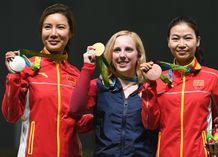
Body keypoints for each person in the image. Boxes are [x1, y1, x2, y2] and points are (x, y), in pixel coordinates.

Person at [2, 3, 93, 157]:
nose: (53, 33)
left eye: (61, 27)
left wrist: (104, 116)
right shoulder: (27, 68)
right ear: (41, 31)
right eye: (48, 27)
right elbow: (11, 115)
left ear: (70, 33)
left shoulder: (76, 75)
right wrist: (13, 76)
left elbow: (79, 124)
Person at [141, 16, 218, 157]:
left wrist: (216, 141)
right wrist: (148, 85)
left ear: (198, 41)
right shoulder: (158, 80)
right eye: (175, 39)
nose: (181, 44)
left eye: (187, 38)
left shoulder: (213, 77)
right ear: (168, 42)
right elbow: (150, 124)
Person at [69, 30, 157, 157]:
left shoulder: (150, 89)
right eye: (117, 50)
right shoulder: (99, 86)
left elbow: (156, 126)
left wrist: (149, 91)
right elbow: (75, 110)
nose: (122, 55)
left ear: (138, 55)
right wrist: (88, 67)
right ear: (110, 55)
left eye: (128, 49)